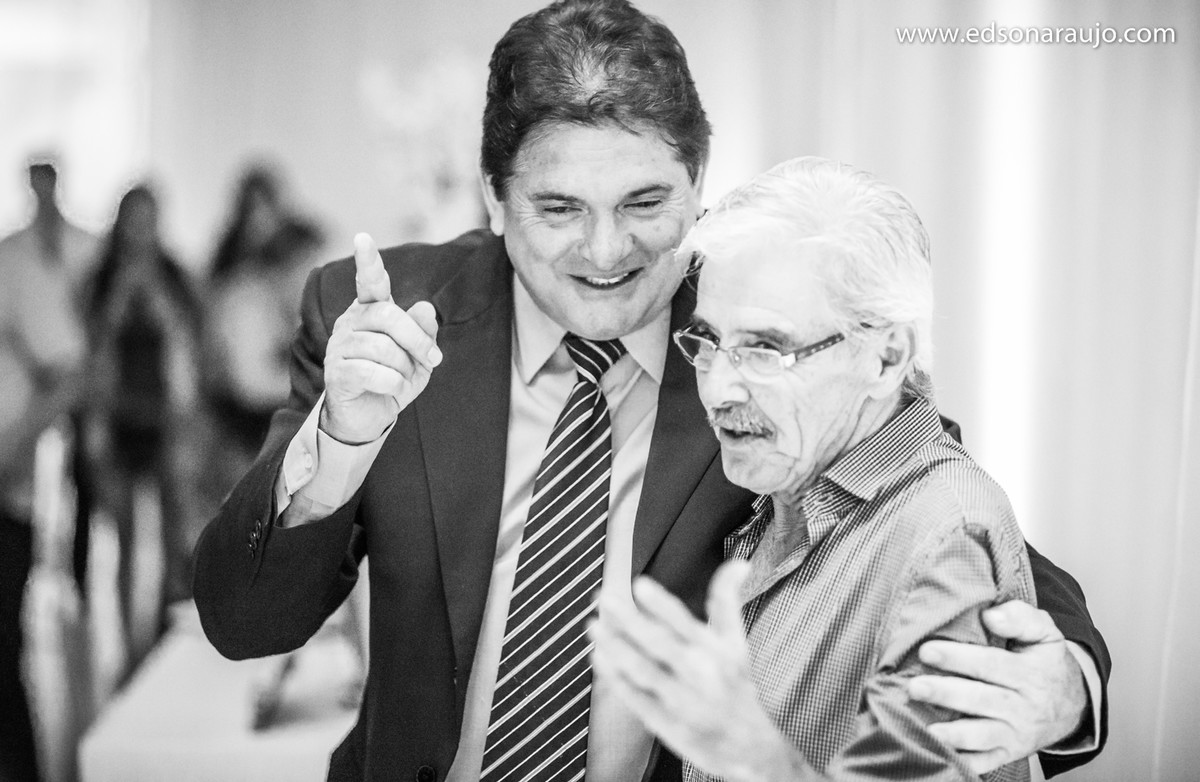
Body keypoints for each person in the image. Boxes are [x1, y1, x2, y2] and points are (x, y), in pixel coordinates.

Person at [192, 2, 1109, 780]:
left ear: (698, 186)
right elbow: (245, 621)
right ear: (492, 197)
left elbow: (939, 508)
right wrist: (340, 447)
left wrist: (1066, 687)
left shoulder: (763, 339)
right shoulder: (389, 318)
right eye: (559, 210)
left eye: (644, 204)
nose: (605, 255)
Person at [590, 156, 1054, 781]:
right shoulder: (778, 486)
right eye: (708, 343)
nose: (719, 388)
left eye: (765, 349)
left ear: (887, 357)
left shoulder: (944, 535)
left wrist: (751, 758)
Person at [0, 157, 98, 782]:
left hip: (17, 465)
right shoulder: (15, 253)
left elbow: (67, 366)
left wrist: (12, 446)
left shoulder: (33, 260)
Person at [83, 183, 201, 673]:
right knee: (126, 544)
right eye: (134, 218)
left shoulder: (173, 275)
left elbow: (191, 339)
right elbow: (88, 351)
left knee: (177, 541)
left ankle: (164, 642)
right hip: (118, 420)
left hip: (166, 422)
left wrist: (157, 301)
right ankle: (130, 654)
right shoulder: (103, 277)